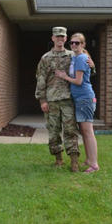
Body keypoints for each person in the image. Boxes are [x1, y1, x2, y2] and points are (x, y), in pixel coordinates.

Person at [35, 26, 92, 172]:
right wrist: (42, 100)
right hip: (52, 100)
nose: (60, 39)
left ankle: (74, 162)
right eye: (57, 36)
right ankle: (58, 159)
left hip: (68, 99)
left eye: (62, 37)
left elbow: (87, 67)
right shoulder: (45, 58)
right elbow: (41, 79)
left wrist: (93, 65)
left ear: (66, 39)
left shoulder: (73, 55)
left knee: (70, 131)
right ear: (53, 38)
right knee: (53, 131)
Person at [55, 32, 100, 173]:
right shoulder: (77, 57)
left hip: (84, 98)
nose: (74, 45)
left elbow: (79, 81)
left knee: (88, 131)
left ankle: (94, 164)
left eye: (77, 43)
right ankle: (89, 159)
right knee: (84, 131)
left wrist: (64, 76)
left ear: (83, 44)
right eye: (72, 43)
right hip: (80, 99)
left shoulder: (81, 58)